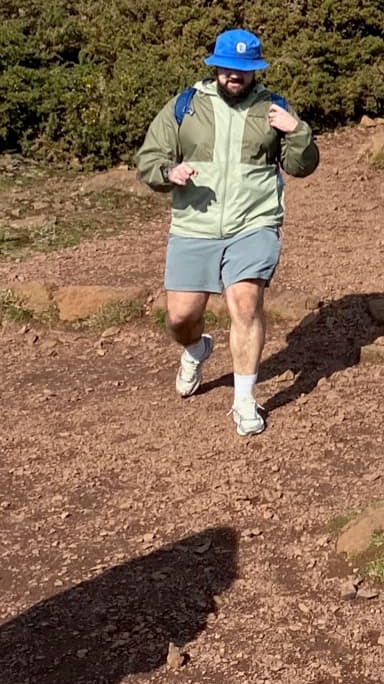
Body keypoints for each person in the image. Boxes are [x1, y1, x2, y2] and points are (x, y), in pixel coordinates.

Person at [135, 28, 319, 439]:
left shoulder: (274, 107)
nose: (236, 76)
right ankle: (196, 349)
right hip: (194, 224)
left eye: (245, 70)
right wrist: (169, 172)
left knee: (245, 302)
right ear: (216, 66)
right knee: (180, 317)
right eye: (230, 69)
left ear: (256, 70)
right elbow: (150, 158)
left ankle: (244, 400)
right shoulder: (185, 106)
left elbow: (301, 166)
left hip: (254, 222)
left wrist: (297, 130)